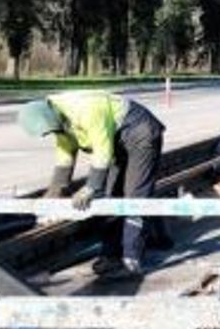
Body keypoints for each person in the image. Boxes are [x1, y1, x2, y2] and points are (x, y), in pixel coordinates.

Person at [17, 91, 166, 280]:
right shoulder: (59, 122)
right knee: (111, 197)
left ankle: (131, 261)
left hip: (140, 132)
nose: (53, 133)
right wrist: (54, 191)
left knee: (134, 198)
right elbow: (65, 157)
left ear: (52, 116)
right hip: (117, 141)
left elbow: (102, 151)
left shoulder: (86, 109)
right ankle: (111, 255)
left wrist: (91, 187)